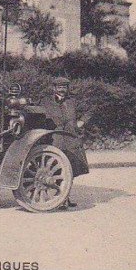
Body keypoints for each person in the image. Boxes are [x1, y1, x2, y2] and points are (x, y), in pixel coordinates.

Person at [39, 76, 90, 209]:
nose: (62, 90)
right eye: (59, 87)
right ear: (54, 88)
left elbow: (88, 111)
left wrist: (81, 122)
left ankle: (65, 198)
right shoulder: (45, 102)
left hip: (71, 139)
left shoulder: (73, 101)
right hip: (55, 139)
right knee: (55, 168)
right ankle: (58, 197)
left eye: (64, 87)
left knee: (71, 169)